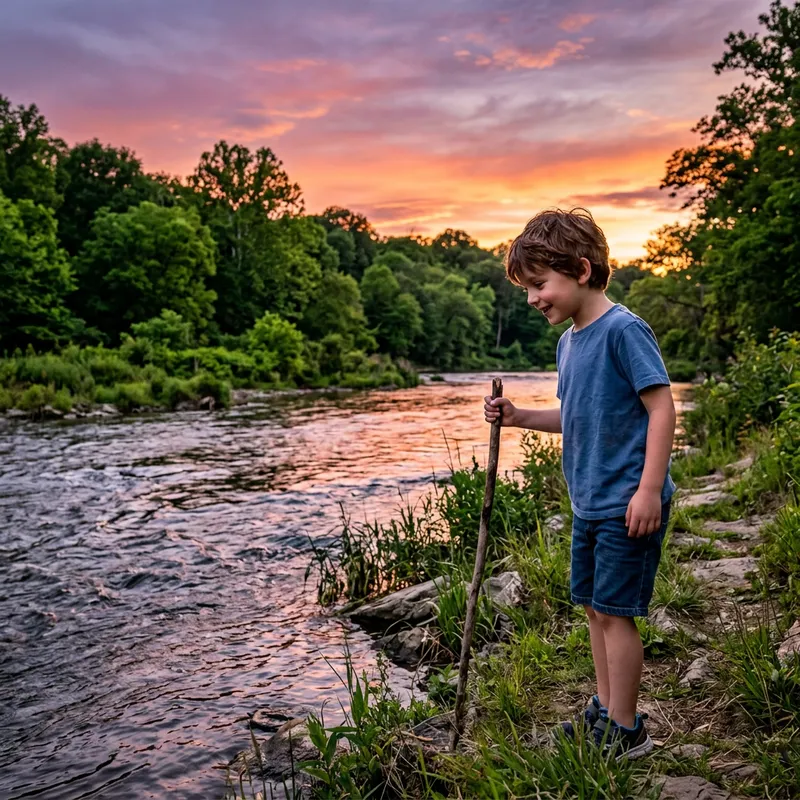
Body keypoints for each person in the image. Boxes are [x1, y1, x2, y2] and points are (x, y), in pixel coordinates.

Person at [483, 208, 676, 760]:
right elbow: (574, 414)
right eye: (527, 288)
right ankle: (603, 708)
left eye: (539, 284)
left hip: (625, 501)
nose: (532, 298)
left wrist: (647, 489)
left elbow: (661, 409)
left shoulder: (624, 330)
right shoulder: (569, 343)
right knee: (593, 606)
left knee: (616, 612)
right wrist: (519, 416)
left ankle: (627, 729)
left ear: (582, 271)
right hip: (589, 502)